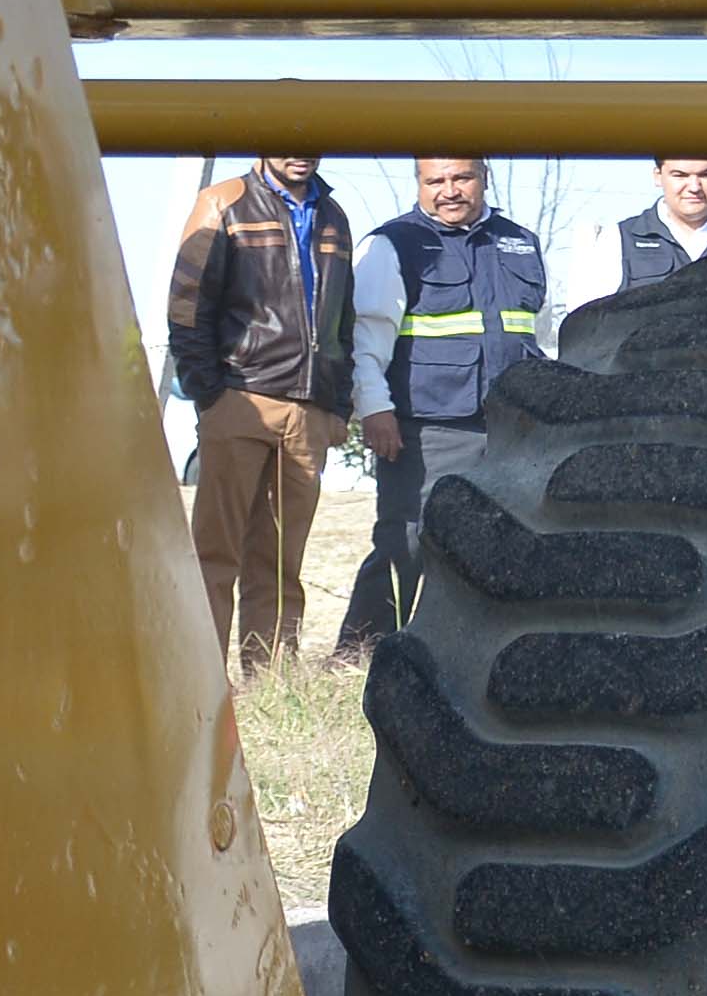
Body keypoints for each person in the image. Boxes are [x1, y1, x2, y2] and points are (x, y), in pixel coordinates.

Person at [333, 157, 550, 657]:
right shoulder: (392, 244)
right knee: (406, 541)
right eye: (435, 181)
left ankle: (465, 651)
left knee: (494, 544)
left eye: (461, 178)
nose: (449, 191)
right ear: (420, 184)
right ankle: (362, 650)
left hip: (510, 427)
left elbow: (535, 334)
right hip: (427, 425)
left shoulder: (519, 242)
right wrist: (374, 409)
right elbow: (367, 339)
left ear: (483, 178)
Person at [164, 151, 357, 674]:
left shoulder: (334, 216)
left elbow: (342, 319)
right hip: (240, 397)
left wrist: (337, 404)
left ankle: (269, 682)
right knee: (215, 553)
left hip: (309, 410)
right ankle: (197, 676)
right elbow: (186, 306)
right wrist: (211, 394)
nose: (299, 150)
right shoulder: (222, 202)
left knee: (279, 559)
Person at [548, 153, 707, 334]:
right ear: (658, 176)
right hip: (647, 381)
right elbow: (586, 330)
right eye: (679, 175)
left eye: (705, 175)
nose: (694, 186)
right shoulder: (617, 240)